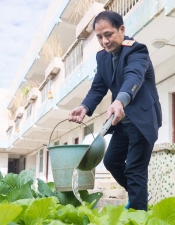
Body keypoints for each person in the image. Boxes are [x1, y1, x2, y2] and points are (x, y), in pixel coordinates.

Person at [68, 10, 162, 211]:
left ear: (121, 29)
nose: (104, 41)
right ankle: (141, 196)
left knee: (135, 170)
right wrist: (85, 107)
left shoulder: (137, 51)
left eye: (108, 34)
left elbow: (133, 77)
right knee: (111, 161)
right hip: (121, 123)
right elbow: (98, 87)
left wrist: (119, 101)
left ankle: (138, 216)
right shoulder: (102, 58)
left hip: (142, 120)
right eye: (100, 37)